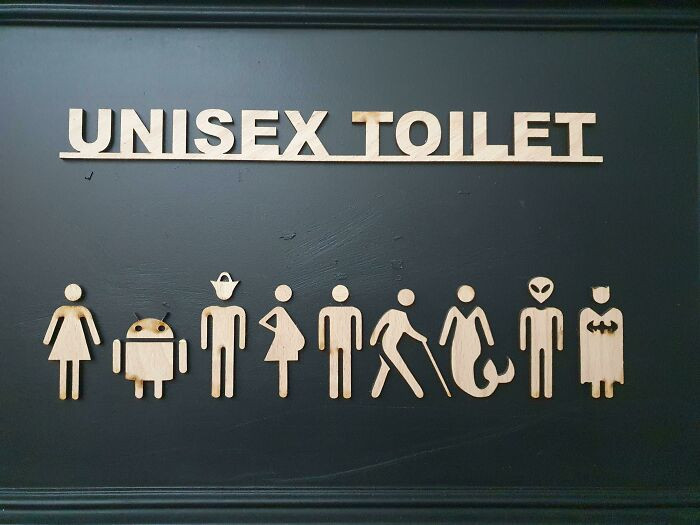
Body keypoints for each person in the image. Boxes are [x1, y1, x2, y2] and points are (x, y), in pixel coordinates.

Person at [370, 289, 450, 398]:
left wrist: (421, 338)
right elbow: (381, 324)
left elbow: (410, 331)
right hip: (387, 344)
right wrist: (374, 339)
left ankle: (415, 389)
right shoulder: (392, 313)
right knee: (399, 366)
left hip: (391, 346)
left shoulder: (403, 317)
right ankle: (416, 389)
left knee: (396, 366)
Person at [439, 285, 514, 397]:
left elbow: (485, 327)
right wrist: (443, 340)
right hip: (459, 343)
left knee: (469, 363)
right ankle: (479, 383)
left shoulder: (477, 311)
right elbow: (446, 329)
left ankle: (482, 383)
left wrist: (490, 341)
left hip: (473, 343)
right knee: (461, 364)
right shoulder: (454, 311)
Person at [43, 283, 100, 400]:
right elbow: (53, 324)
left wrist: (96, 339)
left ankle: (74, 392)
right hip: (65, 338)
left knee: (75, 363)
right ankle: (64, 391)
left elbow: (91, 324)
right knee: (65, 363)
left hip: (76, 338)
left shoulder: (81, 310)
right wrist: (47, 339)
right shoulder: (63, 310)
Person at [201, 272, 246, 398]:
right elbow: (204, 319)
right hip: (217, 340)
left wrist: (241, 342)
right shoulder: (211, 310)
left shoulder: (235, 310)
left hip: (229, 340)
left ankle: (228, 389)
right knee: (216, 361)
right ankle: (216, 389)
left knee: (229, 362)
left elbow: (242, 319)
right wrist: (204, 342)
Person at [259, 284, 305, 398]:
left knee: (283, 361)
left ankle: (283, 390)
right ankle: (283, 390)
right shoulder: (279, 309)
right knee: (282, 361)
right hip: (280, 341)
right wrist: (275, 329)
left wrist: (277, 330)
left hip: (285, 341)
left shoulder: (282, 311)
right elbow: (263, 321)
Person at [318, 285, 362, 399]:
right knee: (336, 364)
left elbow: (358, 325)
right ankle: (335, 391)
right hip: (336, 342)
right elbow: (322, 326)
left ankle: (346, 390)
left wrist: (358, 343)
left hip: (344, 341)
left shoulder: (351, 310)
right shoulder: (328, 310)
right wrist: (322, 343)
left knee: (345, 363)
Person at [579, 286, 623, 398]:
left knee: (609, 368)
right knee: (595, 367)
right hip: (593, 348)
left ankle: (608, 389)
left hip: (610, 348)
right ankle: (596, 390)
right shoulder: (586, 314)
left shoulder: (616, 313)